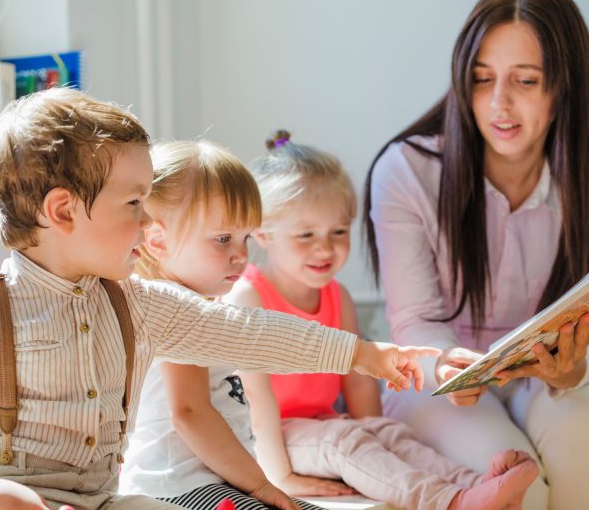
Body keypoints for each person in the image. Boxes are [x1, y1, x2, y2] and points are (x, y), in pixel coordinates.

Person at [0, 88, 440, 510]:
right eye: (134, 202)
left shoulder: (136, 304)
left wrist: (366, 355)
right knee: (2, 502)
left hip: (101, 499)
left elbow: (246, 334)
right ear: (63, 211)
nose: (147, 221)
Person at [362, 0, 589, 509]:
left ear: (564, 86)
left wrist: (569, 369)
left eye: (526, 81)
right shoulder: (406, 173)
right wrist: (449, 366)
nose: (498, 104)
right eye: (482, 79)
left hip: (546, 379)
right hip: (438, 383)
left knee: (587, 429)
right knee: (517, 481)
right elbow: (416, 320)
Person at [224, 131, 538, 510]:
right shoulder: (249, 296)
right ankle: (453, 501)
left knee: (394, 434)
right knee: (344, 443)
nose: (325, 247)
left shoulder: (337, 298)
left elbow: (358, 382)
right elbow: (257, 400)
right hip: (272, 439)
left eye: (338, 232)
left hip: (324, 424)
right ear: (262, 234)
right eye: (305, 235)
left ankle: (479, 483)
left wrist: (377, 431)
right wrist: (279, 476)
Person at [118, 139, 321, 510]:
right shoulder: (175, 310)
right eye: (223, 238)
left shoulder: (202, 306)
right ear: (158, 240)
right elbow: (190, 413)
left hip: (214, 480)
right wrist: (260, 485)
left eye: (245, 238)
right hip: (176, 487)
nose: (241, 255)